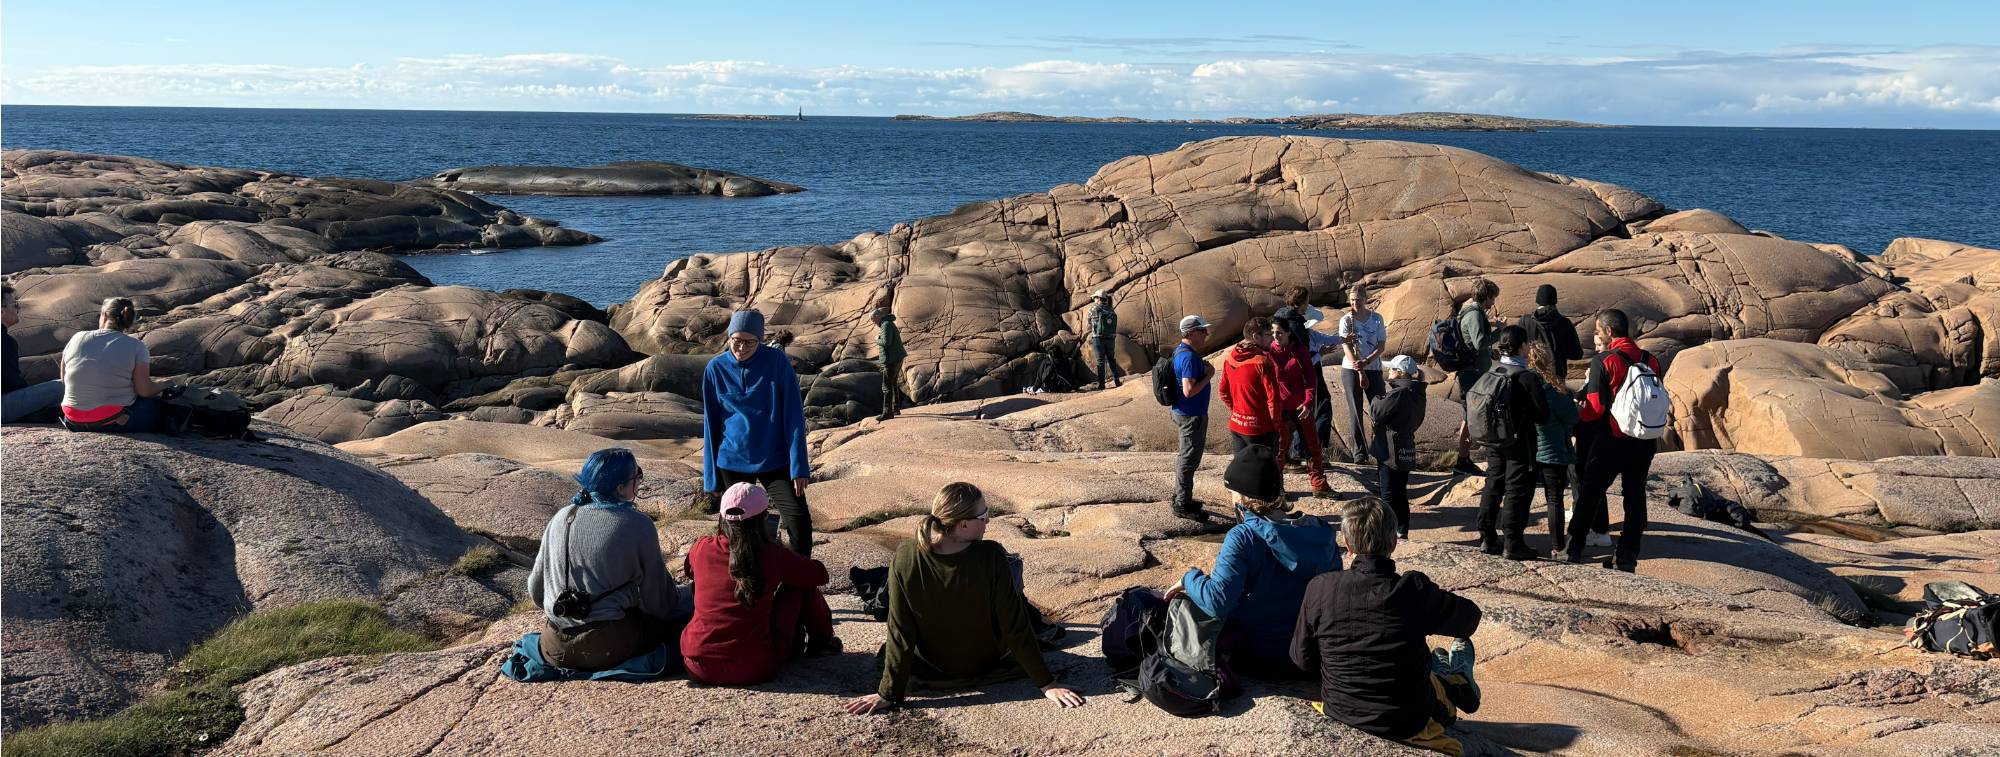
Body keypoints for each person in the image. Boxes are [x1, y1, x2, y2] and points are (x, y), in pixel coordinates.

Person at [843, 483, 1085, 715]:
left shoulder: (906, 556)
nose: (988, 521)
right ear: (964, 525)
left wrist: (888, 693)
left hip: (929, 671)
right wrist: (1047, 684)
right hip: (984, 664)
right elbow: (1014, 627)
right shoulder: (991, 556)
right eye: (984, 516)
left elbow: (900, 630)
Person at [1292, 496, 1482, 756]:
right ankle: (1459, 681)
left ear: (1347, 543)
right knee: (1433, 676)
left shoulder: (1320, 588)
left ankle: (1447, 674)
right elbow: (1469, 621)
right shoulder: (1411, 590)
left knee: (1429, 667)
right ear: (1393, 542)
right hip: (1406, 721)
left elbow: (1302, 659)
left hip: (1340, 709)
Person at [1168, 444, 1339, 683]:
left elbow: (1218, 602)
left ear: (1241, 496)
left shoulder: (1243, 537)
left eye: (1231, 492)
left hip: (1258, 657)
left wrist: (1189, 578)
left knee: (1187, 612)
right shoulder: (1320, 532)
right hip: (1310, 656)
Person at [528, 448, 692, 672]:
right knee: (685, 624)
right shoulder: (636, 524)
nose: (639, 482)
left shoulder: (561, 516)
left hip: (553, 647)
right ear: (620, 488)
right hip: (608, 647)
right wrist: (692, 593)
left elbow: (536, 590)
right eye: (636, 476)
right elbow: (661, 604)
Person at [681, 482, 840, 685]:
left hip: (698, 666)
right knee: (799, 586)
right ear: (763, 519)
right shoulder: (771, 555)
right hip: (755, 667)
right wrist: (784, 552)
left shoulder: (702, 547)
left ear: (721, 517)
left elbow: (690, 571)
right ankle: (822, 642)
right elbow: (819, 575)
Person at [702, 309, 815, 556]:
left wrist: (799, 467)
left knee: (798, 521)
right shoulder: (715, 369)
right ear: (729, 337)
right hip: (732, 460)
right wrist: (711, 478)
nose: (742, 348)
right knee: (737, 529)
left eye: (750, 342)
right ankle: (743, 574)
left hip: (775, 458)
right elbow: (710, 424)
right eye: (736, 341)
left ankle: (800, 576)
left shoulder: (777, 362)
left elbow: (794, 416)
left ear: (760, 340)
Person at [1567, 308, 1663, 572]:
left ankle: (1573, 549)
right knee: (1635, 496)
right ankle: (1627, 556)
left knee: (1591, 493)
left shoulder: (1604, 360)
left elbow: (1595, 409)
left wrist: (1576, 412)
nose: (1598, 335)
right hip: (1643, 441)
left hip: (1611, 438)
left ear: (1608, 332)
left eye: (1598, 331)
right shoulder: (1651, 360)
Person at [1473, 326, 1549, 561]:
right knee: (1517, 489)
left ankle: (1487, 537)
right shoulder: (1527, 377)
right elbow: (1542, 415)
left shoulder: (1493, 370)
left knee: (1493, 484)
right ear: (1523, 346)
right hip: (1519, 442)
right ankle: (1513, 543)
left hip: (1494, 440)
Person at [58, 297, 166, 432]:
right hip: (111, 422)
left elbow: (64, 380)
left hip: (72, 420)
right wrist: (165, 384)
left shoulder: (77, 337)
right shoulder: (136, 346)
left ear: (104, 315)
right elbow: (144, 391)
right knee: (158, 405)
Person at [1275, 286, 1342, 464]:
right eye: (1306, 302)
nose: (1307, 305)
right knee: (1311, 411)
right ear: (1301, 303)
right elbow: (1302, 357)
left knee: (1297, 413)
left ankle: (1299, 453)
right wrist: (1320, 354)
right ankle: (1307, 453)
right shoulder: (1296, 325)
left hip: (1290, 374)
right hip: (1304, 373)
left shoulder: (1281, 317)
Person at [1526, 341, 1579, 558]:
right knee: (1554, 499)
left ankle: (1515, 541)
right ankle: (1558, 547)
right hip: (1553, 450)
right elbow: (1572, 416)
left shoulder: (1521, 383)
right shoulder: (1555, 389)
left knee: (1521, 496)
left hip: (1527, 450)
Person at [1268, 319, 1331, 497]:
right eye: (1272, 333)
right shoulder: (1269, 352)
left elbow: (1311, 378)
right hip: (1280, 407)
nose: (1275, 336)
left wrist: (1308, 402)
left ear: (1288, 333)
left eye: (1279, 332)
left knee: (1312, 446)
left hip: (1301, 406)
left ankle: (1319, 485)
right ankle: (1277, 487)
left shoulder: (1299, 350)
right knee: (1280, 449)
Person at [1369, 355, 1428, 538]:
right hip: (1406, 448)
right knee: (1400, 491)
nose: (1389, 371)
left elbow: (1377, 411)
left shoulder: (1399, 393)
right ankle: (1402, 530)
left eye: (1392, 368)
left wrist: (1377, 397)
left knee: (1387, 493)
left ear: (1400, 372)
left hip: (1389, 450)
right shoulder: (1418, 392)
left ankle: (1387, 533)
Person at [1451, 278, 1501, 477]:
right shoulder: (1474, 314)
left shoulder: (1473, 312)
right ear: (1486, 296)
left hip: (1473, 371)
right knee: (1471, 417)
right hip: (1472, 374)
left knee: (1471, 416)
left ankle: (1463, 460)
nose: (1493, 302)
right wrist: (1500, 332)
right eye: (1492, 298)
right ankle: (1462, 461)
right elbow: (1479, 342)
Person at [1170, 315, 1216, 522]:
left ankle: (1182, 496)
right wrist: (1209, 375)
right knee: (1188, 460)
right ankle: (1182, 504)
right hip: (1190, 415)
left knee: (1186, 458)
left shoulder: (1183, 352)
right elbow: (1188, 391)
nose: (1206, 333)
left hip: (1186, 412)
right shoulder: (1187, 356)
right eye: (1202, 330)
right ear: (1190, 333)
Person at [1336, 284, 1387, 465]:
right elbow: (1346, 346)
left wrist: (1366, 362)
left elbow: (1381, 345)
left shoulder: (1377, 319)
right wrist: (1359, 369)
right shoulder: (1346, 320)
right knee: (1355, 410)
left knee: (1380, 409)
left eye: (1358, 299)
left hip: (1373, 368)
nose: (1355, 303)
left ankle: (1381, 449)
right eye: (1352, 300)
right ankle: (1359, 453)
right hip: (1351, 369)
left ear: (1365, 299)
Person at [1217, 317, 1283, 454]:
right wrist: (1276, 425)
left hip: (1237, 425)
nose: (1273, 338)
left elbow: (1223, 392)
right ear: (1255, 337)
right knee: (1265, 466)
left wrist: (1238, 412)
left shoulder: (1229, 359)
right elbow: (1273, 399)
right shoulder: (1263, 362)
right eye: (1268, 334)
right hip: (1260, 429)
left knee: (1242, 466)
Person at [2, 283, 63, 424]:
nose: (18, 309)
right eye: (15, 305)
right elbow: (11, 383)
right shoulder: (4, 340)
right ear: (1, 310)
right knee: (61, 386)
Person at [1516, 284, 1583, 379]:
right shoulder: (1564, 323)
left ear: (1537, 300)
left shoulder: (1525, 321)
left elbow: (1516, 347)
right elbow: (1576, 354)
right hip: (1556, 376)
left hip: (1530, 374)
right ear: (1554, 301)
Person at [873, 307, 906, 421]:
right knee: (893, 384)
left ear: (877, 316)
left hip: (892, 360)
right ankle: (895, 408)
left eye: (873, 319)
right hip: (896, 358)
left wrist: (877, 339)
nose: (873, 322)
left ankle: (887, 412)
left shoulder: (886, 325)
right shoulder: (888, 323)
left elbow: (886, 342)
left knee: (886, 386)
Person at [1088, 289, 1121, 390]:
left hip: (1098, 338)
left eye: (1095, 298)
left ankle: (1102, 384)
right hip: (1110, 338)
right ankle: (1117, 380)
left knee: (1100, 361)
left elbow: (1089, 323)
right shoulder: (1110, 309)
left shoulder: (1093, 309)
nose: (1094, 299)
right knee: (1111, 359)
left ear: (1098, 298)